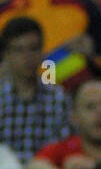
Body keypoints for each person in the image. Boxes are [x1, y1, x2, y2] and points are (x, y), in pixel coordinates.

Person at [0, 16, 68, 161]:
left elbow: (64, 148)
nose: (27, 57)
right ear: (7, 55)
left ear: (43, 52)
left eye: (33, 49)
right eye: (19, 50)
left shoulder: (58, 98)